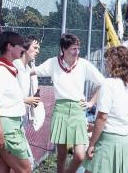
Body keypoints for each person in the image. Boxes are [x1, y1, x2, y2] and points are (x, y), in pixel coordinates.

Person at [33, 33, 105, 173]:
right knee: (61, 154)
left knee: (79, 155)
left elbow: (102, 83)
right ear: (64, 49)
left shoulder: (83, 64)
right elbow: (33, 72)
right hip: (60, 110)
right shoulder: (53, 63)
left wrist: (91, 102)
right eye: (73, 48)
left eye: (78, 48)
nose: (77, 52)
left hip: (78, 110)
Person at [83, 46, 128, 173]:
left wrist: (91, 144)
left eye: (108, 59)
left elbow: (102, 118)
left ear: (115, 62)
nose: (105, 63)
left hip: (109, 141)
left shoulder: (108, 84)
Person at [0, 31, 31, 173]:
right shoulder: (0, 71)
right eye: (20, 46)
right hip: (6, 128)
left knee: (2, 170)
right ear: (10, 47)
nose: (23, 49)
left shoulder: (7, 70)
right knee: (25, 170)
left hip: (8, 127)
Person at [13, 35, 41, 168]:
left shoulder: (29, 69)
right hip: (12, 121)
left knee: (12, 165)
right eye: (35, 47)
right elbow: (8, 96)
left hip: (21, 120)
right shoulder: (15, 67)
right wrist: (26, 100)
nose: (37, 51)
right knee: (27, 163)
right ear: (25, 48)